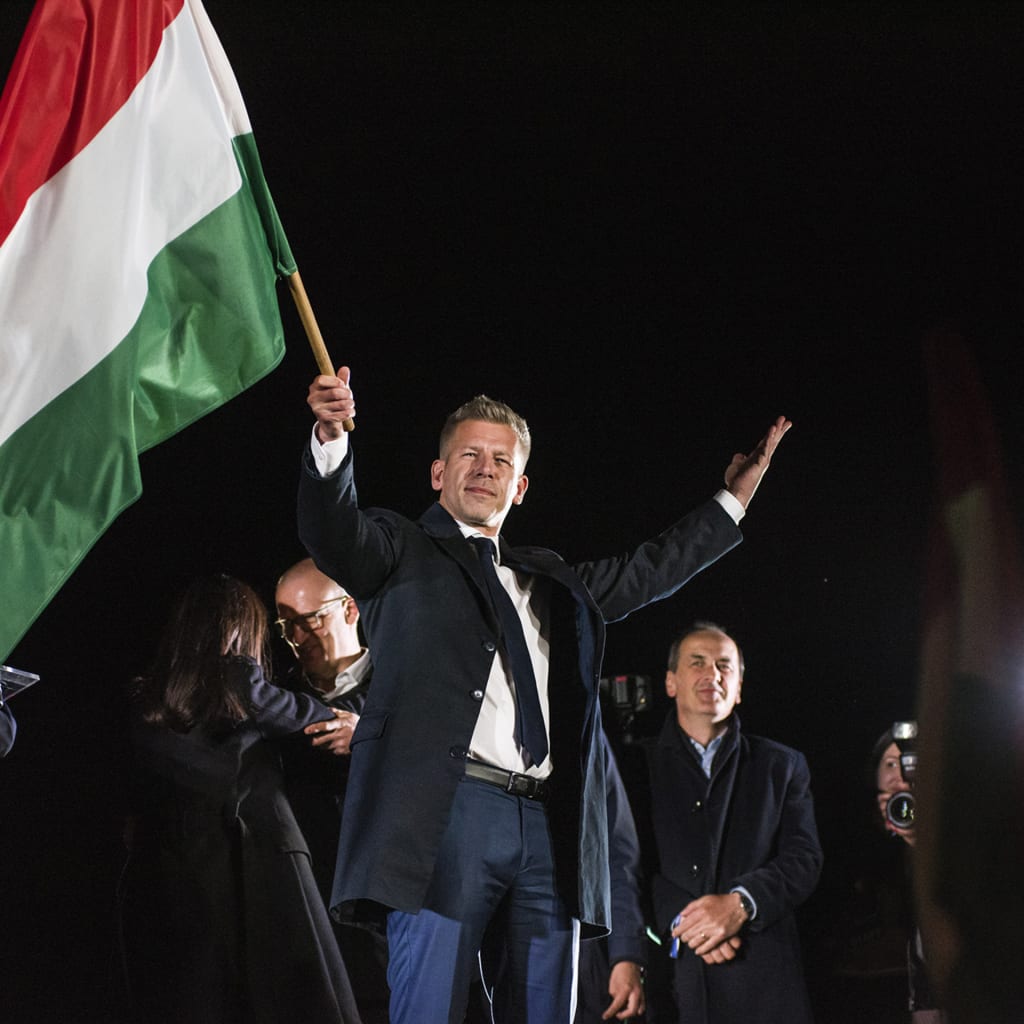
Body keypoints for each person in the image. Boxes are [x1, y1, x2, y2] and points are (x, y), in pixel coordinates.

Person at [298, 366, 790, 1024]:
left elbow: (648, 571)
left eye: (501, 459)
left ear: (521, 486)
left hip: (549, 831)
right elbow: (333, 531)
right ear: (438, 474)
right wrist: (330, 439)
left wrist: (730, 502)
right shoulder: (399, 549)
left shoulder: (549, 580)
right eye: (467, 454)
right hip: (447, 818)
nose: (484, 468)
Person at [121, 574, 363, 1024]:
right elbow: (311, 720)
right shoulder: (249, 698)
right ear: (240, 635)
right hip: (265, 875)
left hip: (170, 889)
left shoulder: (144, 706)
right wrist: (355, 728)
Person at [645, 622, 821, 1023]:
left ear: (739, 687)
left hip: (764, 981)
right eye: (698, 663)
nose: (712, 675)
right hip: (670, 978)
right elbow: (627, 866)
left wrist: (741, 904)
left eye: (725, 666)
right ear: (670, 683)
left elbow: (805, 857)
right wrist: (689, 920)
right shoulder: (635, 765)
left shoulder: (783, 765)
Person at [275, 558, 389, 1022]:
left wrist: (372, 738)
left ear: (350, 610)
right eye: (287, 626)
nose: (297, 638)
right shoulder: (277, 701)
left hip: (386, 911)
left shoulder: (401, 686)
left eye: (309, 621)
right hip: (308, 909)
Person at [872, 726, 948, 1024]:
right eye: (891, 763)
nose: (902, 774)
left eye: (913, 762)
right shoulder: (862, 837)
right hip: (899, 977)